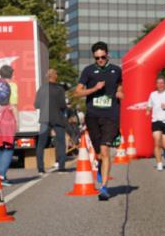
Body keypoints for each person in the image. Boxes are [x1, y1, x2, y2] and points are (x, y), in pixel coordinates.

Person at [73, 42, 124, 200]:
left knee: (105, 150)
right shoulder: (88, 71)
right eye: (97, 58)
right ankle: (101, 172)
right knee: (99, 154)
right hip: (93, 116)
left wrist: (120, 93)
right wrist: (94, 89)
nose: (100, 60)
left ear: (107, 54)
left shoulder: (116, 70)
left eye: (103, 57)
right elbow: (77, 92)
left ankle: (104, 188)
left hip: (111, 115)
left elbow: (120, 86)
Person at [35, 68, 68, 173]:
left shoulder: (42, 88)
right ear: (55, 76)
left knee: (41, 144)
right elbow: (63, 105)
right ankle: (61, 167)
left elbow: (36, 104)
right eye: (56, 74)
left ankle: (40, 168)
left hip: (44, 118)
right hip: (57, 118)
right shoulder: (59, 89)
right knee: (61, 142)